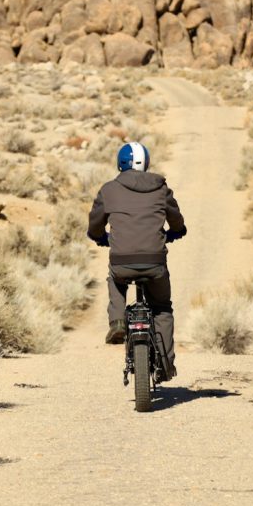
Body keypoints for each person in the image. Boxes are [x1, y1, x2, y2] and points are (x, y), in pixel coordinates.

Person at [87, 141, 186, 379]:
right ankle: (165, 365)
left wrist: (99, 237)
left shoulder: (108, 189)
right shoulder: (161, 188)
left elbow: (95, 223)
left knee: (115, 279)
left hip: (122, 260)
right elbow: (176, 219)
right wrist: (177, 231)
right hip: (155, 262)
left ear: (120, 163)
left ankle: (118, 322)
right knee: (162, 308)